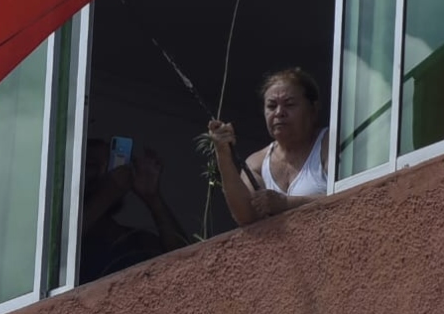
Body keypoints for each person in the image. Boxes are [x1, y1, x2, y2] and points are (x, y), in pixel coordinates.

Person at [209, 67, 328, 226]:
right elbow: (246, 216)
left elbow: (350, 195)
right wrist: (223, 154)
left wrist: (286, 204)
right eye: (271, 106)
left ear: (313, 109)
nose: (279, 113)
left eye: (290, 104)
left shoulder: (329, 143)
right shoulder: (256, 163)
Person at [79, 137, 188, 283]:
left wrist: (152, 198)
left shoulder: (137, 240)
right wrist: (108, 192)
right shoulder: (68, 240)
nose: (105, 173)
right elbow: (63, 244)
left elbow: (187, 264)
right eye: (92, 165)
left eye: (110, 165)